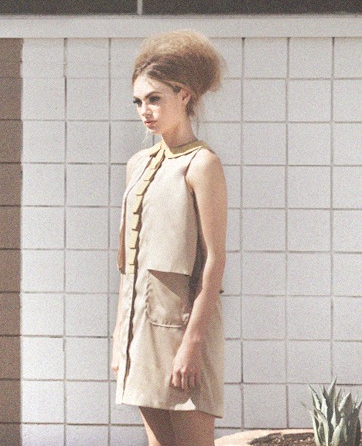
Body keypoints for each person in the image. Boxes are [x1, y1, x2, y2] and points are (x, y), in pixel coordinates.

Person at [111, 30, 227, 446]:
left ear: (184, 95)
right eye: (138, 101)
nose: (145, 111)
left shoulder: (202, 164)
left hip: (183, 331)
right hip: (140, 330)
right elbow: (129, 264)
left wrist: (192, 344)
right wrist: (120, 338)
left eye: (155, 99)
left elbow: (214, 260)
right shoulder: (138, 163)